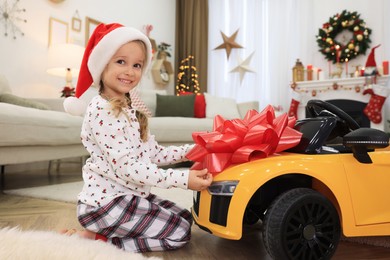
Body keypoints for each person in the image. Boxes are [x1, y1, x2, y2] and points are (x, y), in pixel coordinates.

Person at [62, 23, 213, 253]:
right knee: (180, 233)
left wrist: (193, 150)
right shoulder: (102, 110)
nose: (130, 71)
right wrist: (183, 179)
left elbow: (153, 154)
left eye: (137, 65)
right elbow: (128, 168)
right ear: (103, 65)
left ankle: (99, 234)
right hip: (104, 206)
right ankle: (101, 242)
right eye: (121, 62)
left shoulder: (129, 109)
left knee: (184, 216)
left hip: (126, 197)